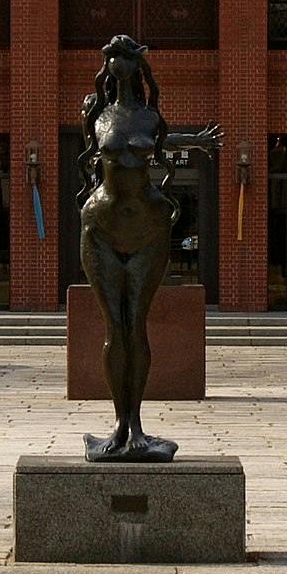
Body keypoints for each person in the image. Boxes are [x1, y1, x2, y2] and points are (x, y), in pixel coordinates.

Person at [75, 34, 219, 462]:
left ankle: (135, 425)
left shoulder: (152, 118)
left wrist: (195, 141)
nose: (117, 60)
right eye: (112, 55)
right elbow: (94, 156)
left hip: (148, 230)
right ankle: (118, 426)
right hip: (100, 227)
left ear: (138, 67)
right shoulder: (96, 114)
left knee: (136, 324)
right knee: (112, 327)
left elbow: (161, 146)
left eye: (125, 55)